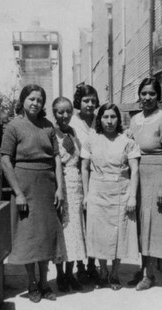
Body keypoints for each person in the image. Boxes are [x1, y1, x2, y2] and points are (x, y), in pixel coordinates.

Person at [0, 84, 65, 303]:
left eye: (39, 100)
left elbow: (56, 158)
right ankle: (31, 283)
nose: (35, 103)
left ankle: (45, 282)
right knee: (28, 236)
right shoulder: (13, 127)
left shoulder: (48, 126)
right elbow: (5, 160)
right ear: (23, 100)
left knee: (45, 235)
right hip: (24, 186)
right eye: (31, 99)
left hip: (47, 186)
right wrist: (18, 193)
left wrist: (60, 188)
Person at [81, 103, 141, 290]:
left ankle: (114, 274)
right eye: (105, 117)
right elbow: (84, 168)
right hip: (97, 192)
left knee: (119, 233)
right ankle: (103, 272)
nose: (109, 121)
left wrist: (132, 197)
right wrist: (86, 195)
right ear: (100, 119)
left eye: (113, 117)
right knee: (99, 234)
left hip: (120, 192)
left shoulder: (127, 141)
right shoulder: (91, 140)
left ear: (119, 119)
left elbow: (135, 170)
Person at [128, 77, 162, 290]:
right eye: (144, 93)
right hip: (137, 174)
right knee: (140, 222)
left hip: (156, 173)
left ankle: (150, 274)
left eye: (152, 94)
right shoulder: (135, 119)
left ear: (158, 96)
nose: (147, 98)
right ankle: (142, 268)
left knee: (153, 224)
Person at [52, 97, 87, 292]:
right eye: (60, 112)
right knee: (63, 230)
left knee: (75, 230)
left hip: (75, 185)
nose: (65, 115)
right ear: (54, 113)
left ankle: (71, 273)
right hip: (60, 184)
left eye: (68, 111)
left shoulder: (73, 133)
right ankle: (60, 275)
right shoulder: (51, 133)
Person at [69, 83, 101, 285]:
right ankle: (80, 266)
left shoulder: (101, 120)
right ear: (78, 103)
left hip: (99, 176)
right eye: (86, 101)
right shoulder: (72, 122)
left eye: (93, 101)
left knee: (95, 222)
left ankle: (92, 265)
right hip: (78, 177)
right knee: (80, 222)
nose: (90, 104)